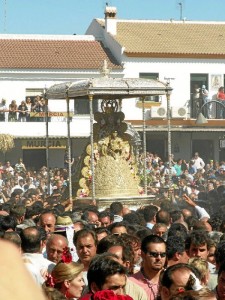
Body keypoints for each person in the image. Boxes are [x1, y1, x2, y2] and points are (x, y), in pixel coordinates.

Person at [129, 235, 167, 300]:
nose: (159, 258)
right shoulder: (130, 283)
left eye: (163, 254)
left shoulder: (170, 281)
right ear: (143, 255)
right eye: (154, 254)